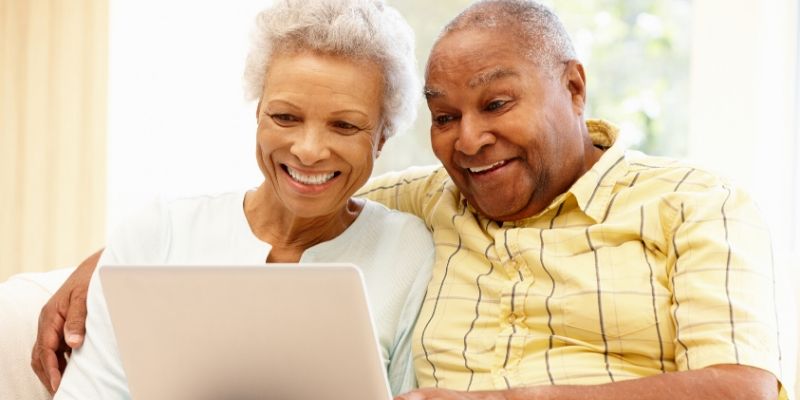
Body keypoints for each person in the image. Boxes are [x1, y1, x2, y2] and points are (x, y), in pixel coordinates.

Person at [33, 1, 791, 399]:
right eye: (445, 116)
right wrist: (106, 267)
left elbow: (744, 391)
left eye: (498, 104)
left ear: (573, 87)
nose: (469, 141)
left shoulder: (694, 201)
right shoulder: (430, 201)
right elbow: (299, 196)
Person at [38, 0, 435, 398]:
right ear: (259, 112)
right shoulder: (158, 234)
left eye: (345, 125)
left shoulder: (408, 251)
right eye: (285, 117)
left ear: (382, 136)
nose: (309, 150)